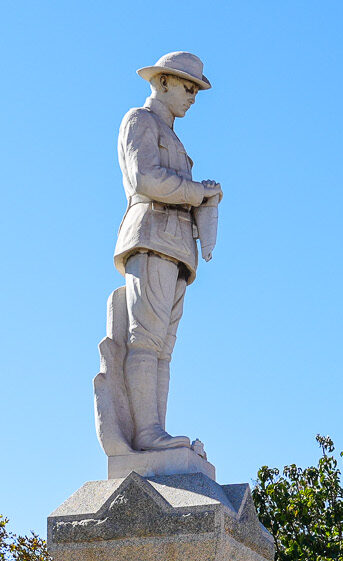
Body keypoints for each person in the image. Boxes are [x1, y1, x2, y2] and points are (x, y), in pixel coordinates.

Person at [96, 51, 222, 456]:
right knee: (145, 340)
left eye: (196, 89)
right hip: (149, 237)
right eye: (188, 87)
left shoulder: (175, 137)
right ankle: (147, 433)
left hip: (177, 250)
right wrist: (196, 191)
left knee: (162, 349)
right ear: (163, 81)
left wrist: (204, 201)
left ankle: (155, 433)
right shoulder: (139, 120)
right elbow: (145, 178)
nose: (193, 97)